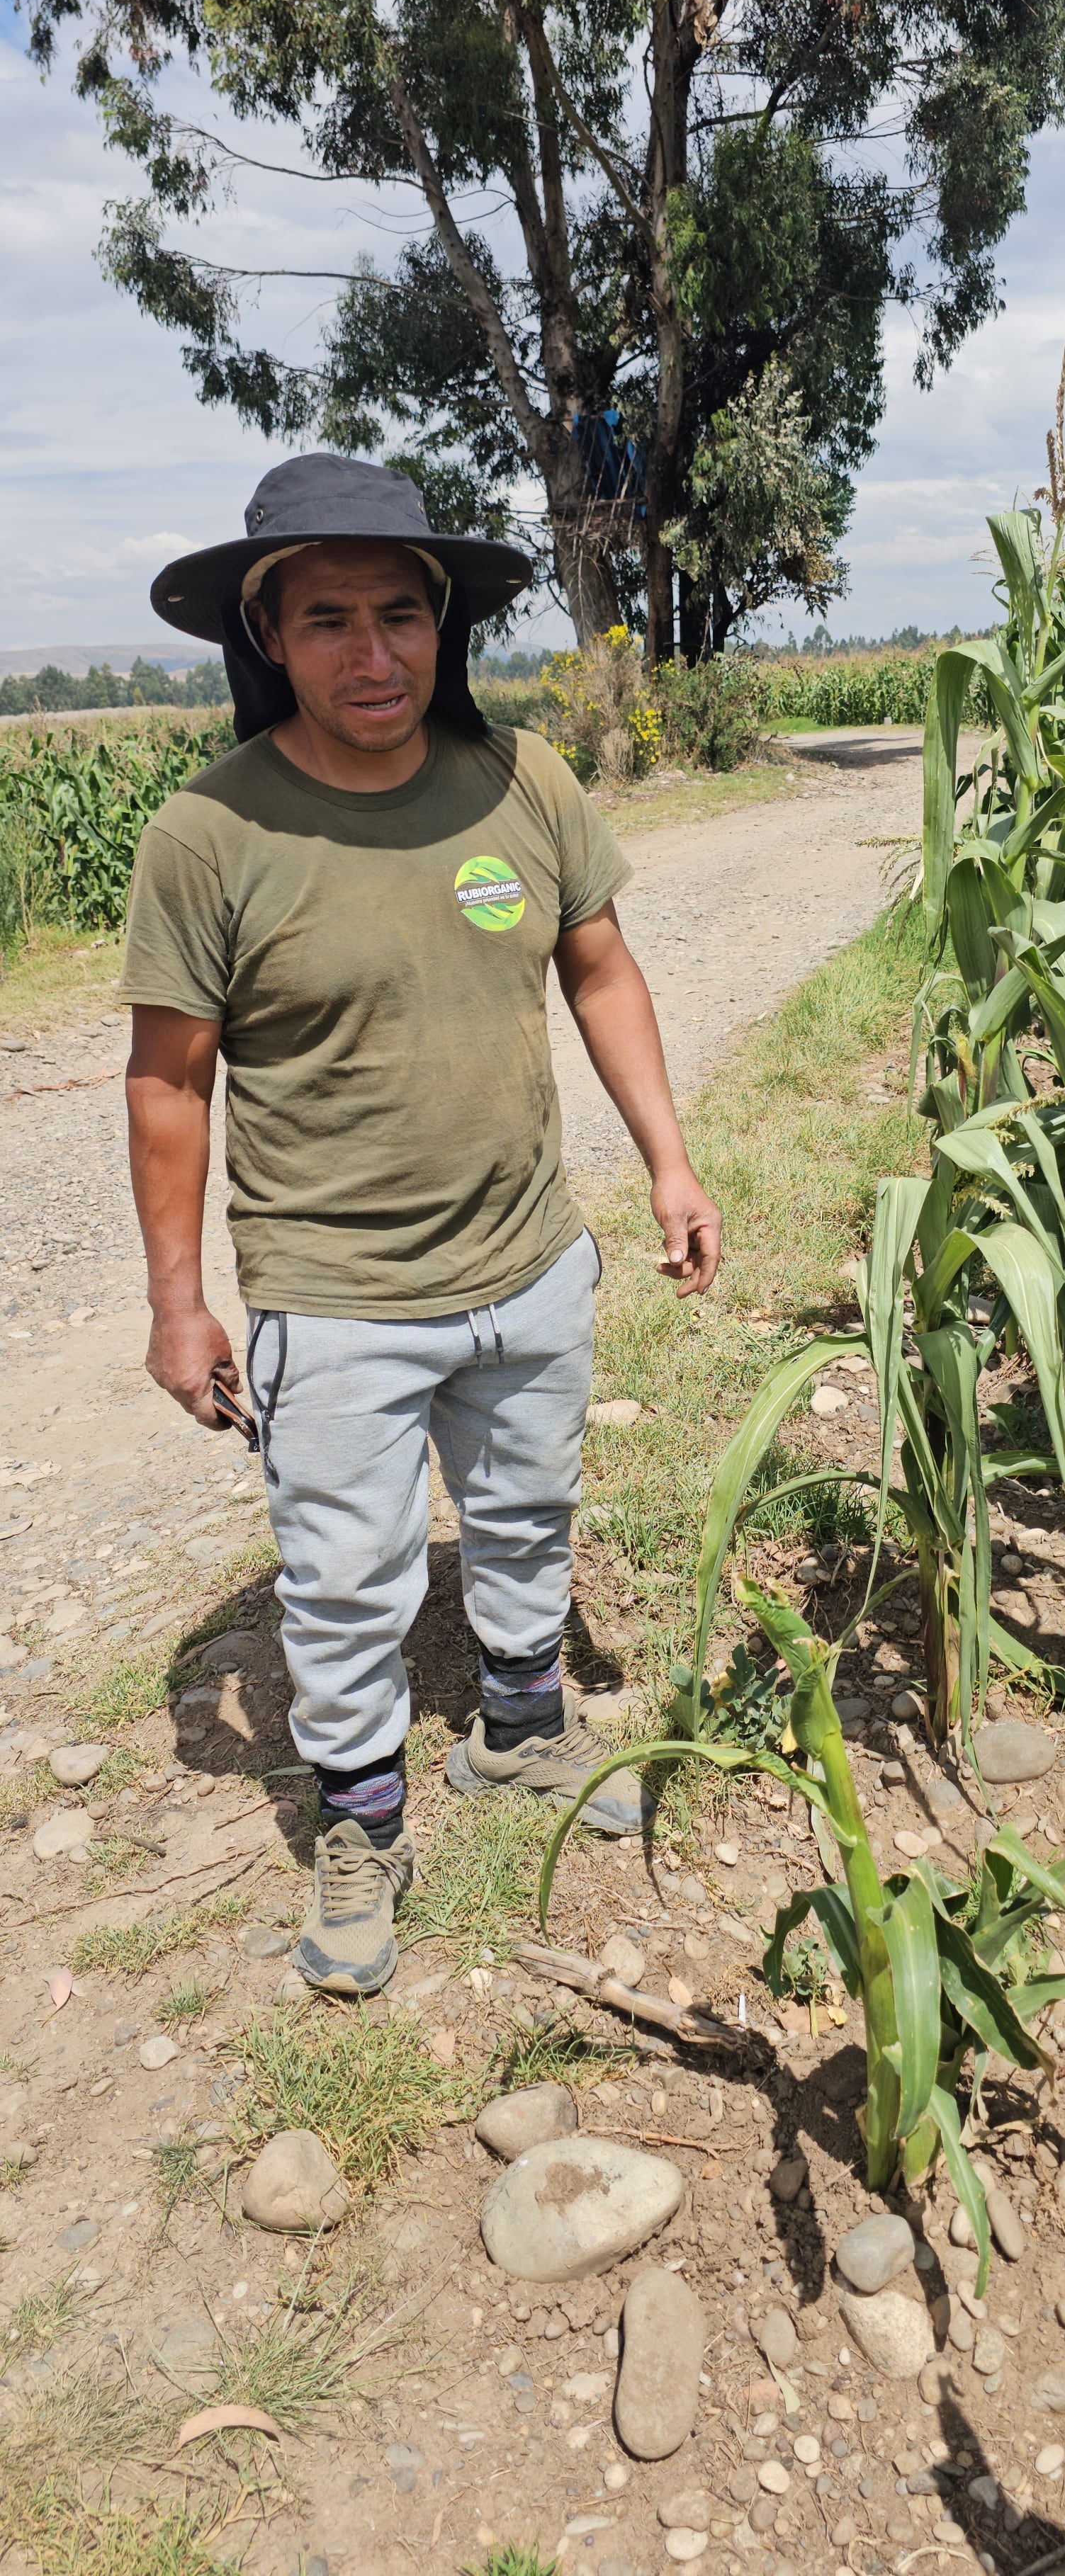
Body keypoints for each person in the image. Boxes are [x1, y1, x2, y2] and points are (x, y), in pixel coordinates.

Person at [122, 453, 721, 1995]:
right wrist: (178, 1300)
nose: (371, 654)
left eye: (401, 614)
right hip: (334, 1292)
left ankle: (522, 1736)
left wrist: (667, 1158)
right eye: (327, 619)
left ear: (444, 624)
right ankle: (361, 1819)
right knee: (344, 1576)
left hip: (530, 1260)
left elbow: (601, 969)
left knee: (528, 1510)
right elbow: (169, 1082)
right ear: (268, 635)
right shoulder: (210, 834)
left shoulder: (523, 782)